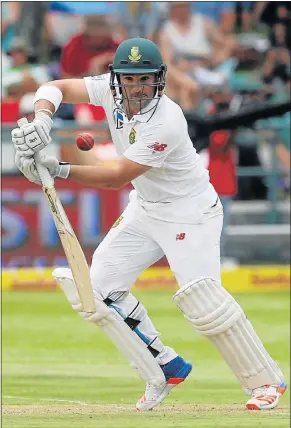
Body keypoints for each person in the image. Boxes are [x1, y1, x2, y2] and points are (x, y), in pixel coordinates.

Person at [12, 37, 286, 411]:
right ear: (117, 79)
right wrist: (43, 117)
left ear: (158, 79)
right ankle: (164, 365)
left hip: (190, 213)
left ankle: (266, 382)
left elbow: (117, 176)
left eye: (145, 79)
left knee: (204, 303)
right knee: (98, 292)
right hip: (146, 208)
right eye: (129, 79)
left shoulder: (167, 120)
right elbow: (54, 87)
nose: (137, 87)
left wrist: (57, 168)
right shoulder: (109, 91)